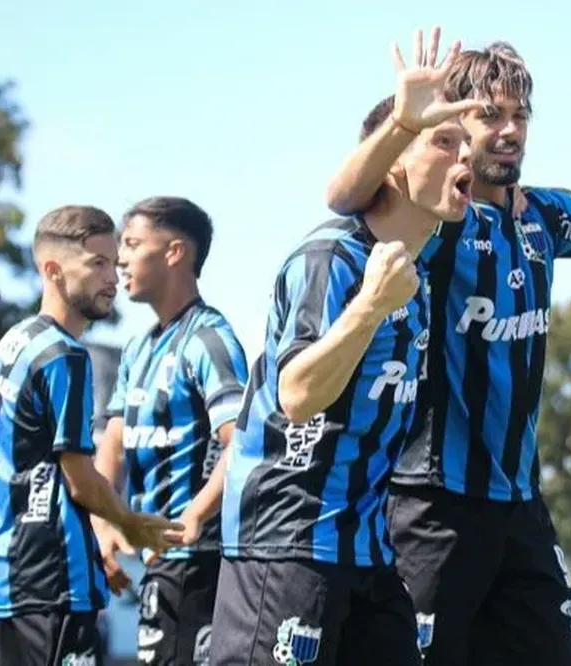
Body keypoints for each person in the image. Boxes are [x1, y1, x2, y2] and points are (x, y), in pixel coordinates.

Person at [324, 26, 571, 666]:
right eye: (489, 114)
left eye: (520, 115)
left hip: (521, 509)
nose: (510, 129)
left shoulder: (546, 217)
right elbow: (345, 198)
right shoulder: (436, 218)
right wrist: (405, 127)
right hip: (430, 505)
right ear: (452, 124)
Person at [209, 34, 480, 666]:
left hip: (367, 553)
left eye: (467, 145)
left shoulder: (416, 274)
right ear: (392, 163)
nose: (465, 157)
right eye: (444, 141)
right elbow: (297, 395)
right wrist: (367, 309)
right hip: (286, 543)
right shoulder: (333, 255)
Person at [0, 205, 183, 666]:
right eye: (97, 263)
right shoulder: (65, 356)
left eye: (113, 261)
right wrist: (130, 523)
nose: (113, 275)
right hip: (51, 583)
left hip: (12, 578)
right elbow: (79, 477)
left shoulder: (15, 340)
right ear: (53, 271)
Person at [91, 197, 249, 666]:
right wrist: (105, 525)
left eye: (133, 244)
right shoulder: (138, 347)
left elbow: (240, 441)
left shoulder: (210, 339)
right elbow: (112, 444)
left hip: (199, 563)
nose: (120, 258)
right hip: (155, 565)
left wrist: (196, 513)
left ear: (176, 252)